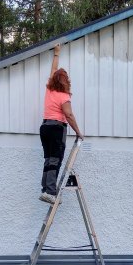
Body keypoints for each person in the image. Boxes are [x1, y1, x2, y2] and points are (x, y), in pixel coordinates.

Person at [39, 44, 83, 204]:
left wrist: (56, 54)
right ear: (66, 81)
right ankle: (50, 191)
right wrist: (78, 132)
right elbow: (69, 115)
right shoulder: (64, 96)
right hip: (57, 128)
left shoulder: (49, 90)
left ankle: (45, 188)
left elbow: (53, 70)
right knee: (55, 159)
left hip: (44, 127)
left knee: (48, 158)